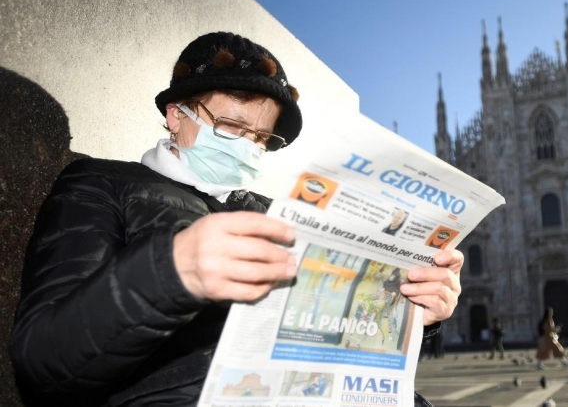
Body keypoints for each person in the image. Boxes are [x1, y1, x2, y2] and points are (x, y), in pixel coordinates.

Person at [10, 32, 465, 407]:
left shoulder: (273, 210)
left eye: (261, 137)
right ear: (176, 114)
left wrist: (413, 312)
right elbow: (43, 362)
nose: (248, 146)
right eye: (231, 127)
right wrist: (172, 272)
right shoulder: (103, 184)